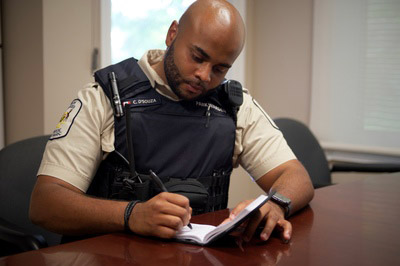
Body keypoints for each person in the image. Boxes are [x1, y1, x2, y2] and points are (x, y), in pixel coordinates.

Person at [30, 0, 314, 244]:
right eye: (197, 57)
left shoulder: (233, 105)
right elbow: (45, 203)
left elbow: (296, 176)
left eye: (220, 68)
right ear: (172, 34)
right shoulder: (105, 96)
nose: (204, 75)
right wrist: (132, 215)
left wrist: (276, 204)